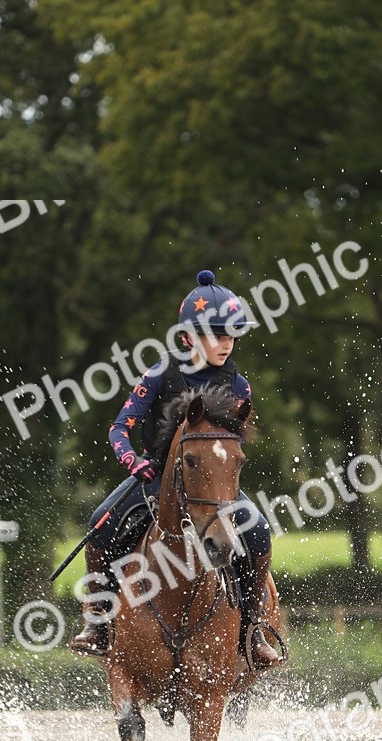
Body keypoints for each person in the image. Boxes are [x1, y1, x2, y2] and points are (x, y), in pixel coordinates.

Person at [69, 268, 278, 668]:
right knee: (99, 524)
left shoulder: (239, 385)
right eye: (216, 334)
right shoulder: (159, 373)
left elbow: (231, 446)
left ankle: (252, 632)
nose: (225, 343)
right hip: (157, 481)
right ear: (188, 337)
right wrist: (134, 460)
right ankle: (97, 620)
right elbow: (119, 428)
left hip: (212, 490)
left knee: (261, 534)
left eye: (231, 334)